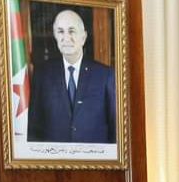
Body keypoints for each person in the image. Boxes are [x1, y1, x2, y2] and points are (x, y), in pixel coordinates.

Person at [27, 8, 116, 144]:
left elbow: (115, 129)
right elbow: (34, 128)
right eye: (60, 31)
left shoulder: (105, 75)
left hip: (94, 156)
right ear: (55, 36)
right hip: (55, 156)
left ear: (83, 37)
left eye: (72, 31)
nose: (66, 38)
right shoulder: (42, 75)